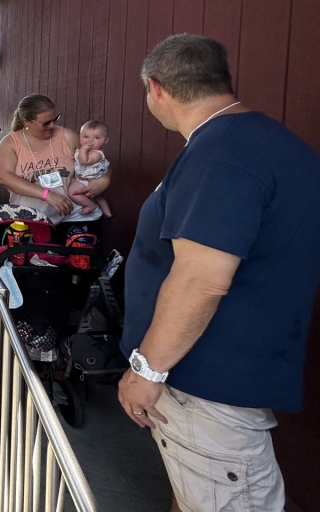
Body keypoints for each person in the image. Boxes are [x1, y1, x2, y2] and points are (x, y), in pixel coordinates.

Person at [118, 34, 320, 512]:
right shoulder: (256, 141)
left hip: (207, 390)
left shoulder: (222, 154)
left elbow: (202, 279)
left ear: (157, 89)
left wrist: (146, 368)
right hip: (213, 384)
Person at [0, 94, 110, 223]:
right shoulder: (11, 142)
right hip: (32, 219)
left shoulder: (67, 135)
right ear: (26, 121)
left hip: (75, 216)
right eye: (46, 123)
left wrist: (105, 179)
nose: (52, 125)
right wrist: (47, 195)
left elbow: (99, 159)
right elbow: (3, 177)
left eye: (55, 119)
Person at [68, 120, 112, 216]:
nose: (90, 141)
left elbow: (84, 161)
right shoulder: (84, 151)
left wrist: (83, 149)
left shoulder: (97, 153)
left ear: (106, 140)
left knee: (72, 192)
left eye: (96, 138)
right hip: (86, 178)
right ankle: (107, 213)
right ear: (79, 137)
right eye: (86, 137)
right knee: (98, 197)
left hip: (88, 179)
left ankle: (90, 206)